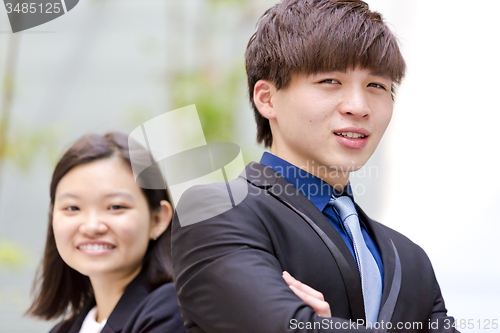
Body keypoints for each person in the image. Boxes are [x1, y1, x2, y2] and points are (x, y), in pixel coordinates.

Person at [171, 0, 459, 332]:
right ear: (267, 98)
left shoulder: (411, 260)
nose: (358, 106)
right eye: (329, 81)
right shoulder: (216, 211)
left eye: (377, 85)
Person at [26, 132, 186, 333]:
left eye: (115, 206)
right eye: (73, 208)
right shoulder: (63, 330)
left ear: (158, 219)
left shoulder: (174, 311)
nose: (92, 227)